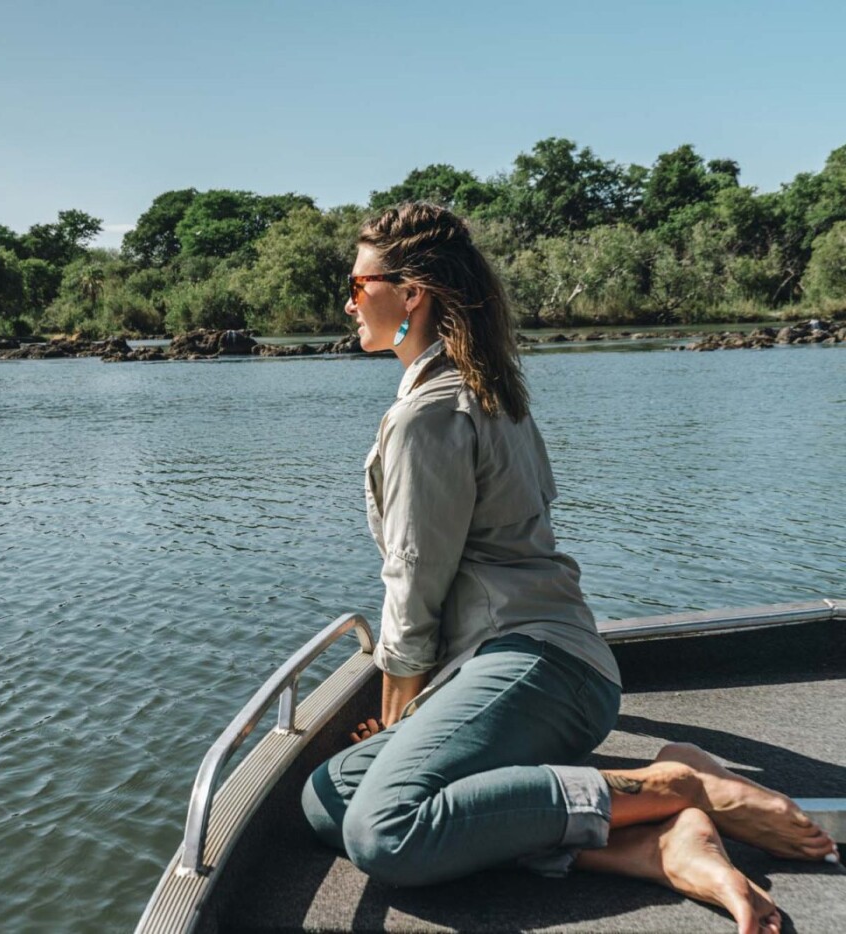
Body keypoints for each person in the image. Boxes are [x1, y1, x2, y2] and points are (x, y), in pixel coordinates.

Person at [300, 202, 837, 934]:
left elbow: (413, 585)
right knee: (325, 799)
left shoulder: (428, 414)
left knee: (383, 831)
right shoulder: (493, 390)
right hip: (547, 672)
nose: (348, 301)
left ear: (412, 292)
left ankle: (674, 785)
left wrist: (403, 718)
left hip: (530, 666)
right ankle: (648, 846)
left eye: (358, 285)